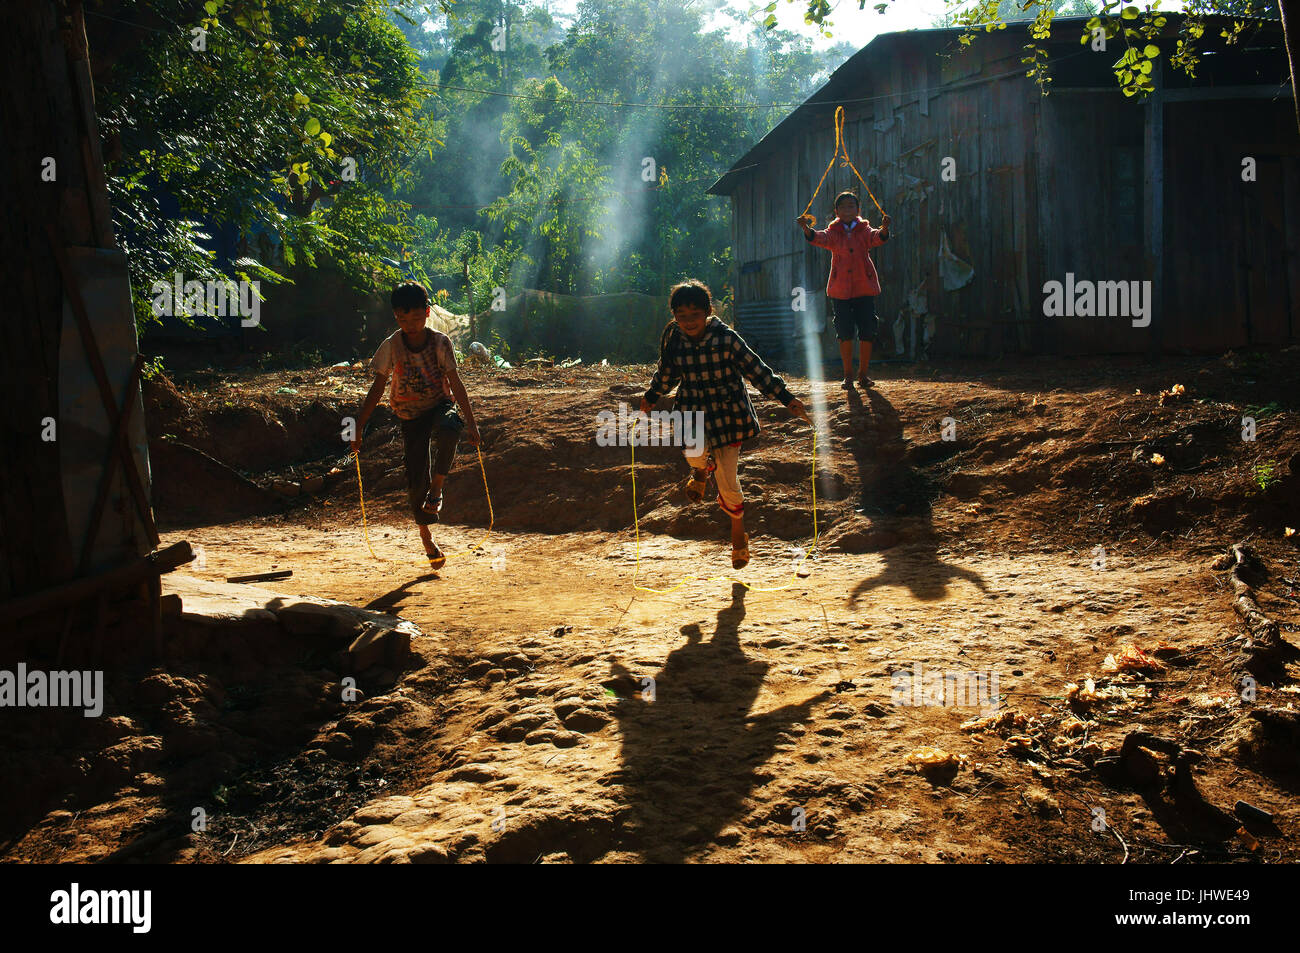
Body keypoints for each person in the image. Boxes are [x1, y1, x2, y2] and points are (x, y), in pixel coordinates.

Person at [639, 279, 810, 570]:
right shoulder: (676, 341)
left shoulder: (727, 338)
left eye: (694, 315)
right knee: (694, 454)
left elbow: (757, 370)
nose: (688, 322)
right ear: (674, 317)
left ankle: (738, 536)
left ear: (708, 312)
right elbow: (666, 375)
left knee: (729, 483)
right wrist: (652, 395)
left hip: (728, 414)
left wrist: (786, 398)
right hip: (691, 410)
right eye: (681, 317)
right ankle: (700, 472)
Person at [351, 282, 480, 571]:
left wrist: (471, 423)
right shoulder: (392, 345)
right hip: (409, 415)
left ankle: (438, 487)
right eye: (402, 319)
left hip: (438, 404)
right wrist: (359, 426)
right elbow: (377, 387)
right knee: (415, 481)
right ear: (395, 317)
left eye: (415, 318)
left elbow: (456, 383)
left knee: (450, 425)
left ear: (427, 312)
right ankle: (426, 538)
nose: (409, 325)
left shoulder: (440, 342)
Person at [798, 191, 892, 390]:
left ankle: (863, 375)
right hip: (840, 290)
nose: (847, 210)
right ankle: (848, 375)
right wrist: (807, 229)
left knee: (867, 330)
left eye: (851, 206)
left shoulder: (865, 230)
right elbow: (819, 238)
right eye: (843, 207)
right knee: (844, 332)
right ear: (836, 211)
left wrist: (884, 228)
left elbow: (877, 238)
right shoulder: (833, 232)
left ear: (857, 210)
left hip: (864, 289)